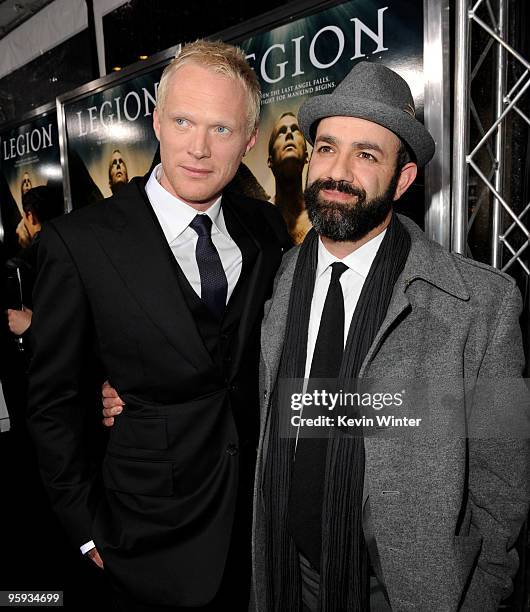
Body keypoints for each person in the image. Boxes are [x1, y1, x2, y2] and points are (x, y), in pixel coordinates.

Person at [104, 60, 530, 609]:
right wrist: (122, 393)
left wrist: (479, 597)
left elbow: (504, 486)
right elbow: (213, 372)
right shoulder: (270, 276)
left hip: (410, 590)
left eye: (367, 154)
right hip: (284, 574)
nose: (339, 171)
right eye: (327, 148)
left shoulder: (481, 306)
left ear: (402, 179)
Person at [27, 40, 290, 611]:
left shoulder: (265, 227)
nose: (198, 147)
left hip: (255, 527)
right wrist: (85, 529)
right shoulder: (79, 244)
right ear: (157, 123)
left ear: (248, 141)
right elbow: (51, 401)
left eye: (221, 129)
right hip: (141, 536)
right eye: (183, 121)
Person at [268, 112, 310, 244]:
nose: (289, 134)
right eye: (281, 132)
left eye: (295, 130)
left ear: (307, 156)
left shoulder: (323, 215)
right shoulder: (259, 220)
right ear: (270, 160)